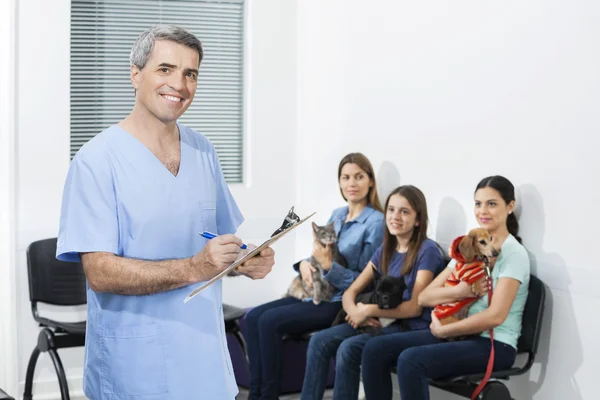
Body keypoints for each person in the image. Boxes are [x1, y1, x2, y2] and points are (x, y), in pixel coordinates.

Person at [55, 25, 275, 400]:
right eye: (165, 69)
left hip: (204, 361)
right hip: (135, 365)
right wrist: (194, 267)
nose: (180, 84)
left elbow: (214, 246)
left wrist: (244, 260)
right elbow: (100, 272)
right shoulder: (96, 160)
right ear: (135, 74)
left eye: (190, 73)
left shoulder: (204, 151)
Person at [361, 175, 530, 400]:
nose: (483, 211)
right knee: (374, 349)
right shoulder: (470, 246)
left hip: (493, 344)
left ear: (510, 207)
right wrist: (461, 291)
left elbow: (495, 316)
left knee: (411, 360)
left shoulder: (514, 254)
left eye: (492, 204)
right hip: (460, 334)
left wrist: (444, 330)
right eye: (478, 204)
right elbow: (425, 297)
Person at [245, 153, 385, 400]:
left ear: (371, 181)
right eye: (346, 177)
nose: (352, 183)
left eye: (359, 177)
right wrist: (304, 266)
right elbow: (318, 254)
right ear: (340, 183)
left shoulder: (376, 223)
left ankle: (267, 397)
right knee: (253, 317)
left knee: (268, 322)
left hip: (338, 301)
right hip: (313, 291)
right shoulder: (338, 214)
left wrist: (329, 266)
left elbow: (366, 281)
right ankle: (255, 395)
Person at [301, 185, 445, 400]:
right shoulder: (386, 249)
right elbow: (352, 290)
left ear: (418, 219)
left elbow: (416, 307)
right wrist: (357, 312)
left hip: (412, 327)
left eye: (404, 211)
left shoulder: (427, 250)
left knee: (349, 349)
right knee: (319, 341)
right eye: (391, 210)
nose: (395, 216)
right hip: (382, 321)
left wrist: (368, 310)